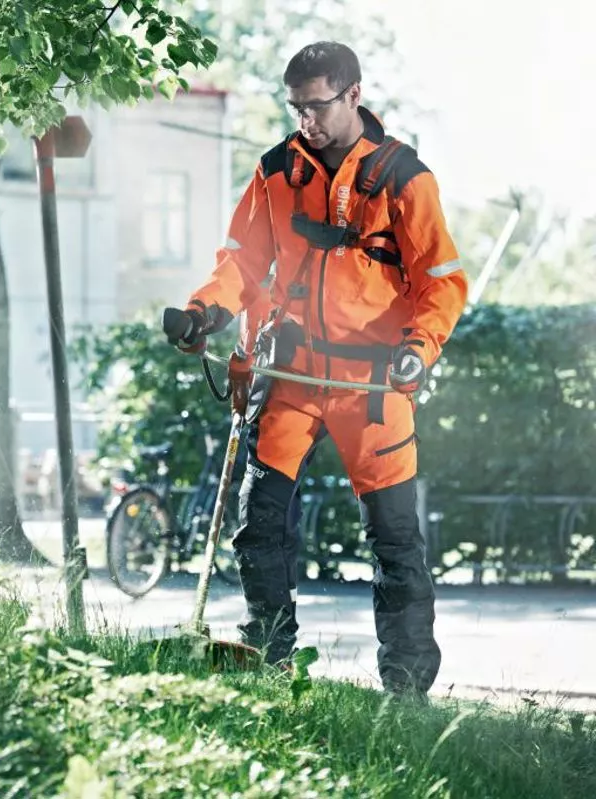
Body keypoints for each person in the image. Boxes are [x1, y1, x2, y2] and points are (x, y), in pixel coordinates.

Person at [166, 41, 467, 698]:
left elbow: (442, 284)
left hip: (373, 387)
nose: (307, 120)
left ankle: (408, 692)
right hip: (295, 380)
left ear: (353, 95)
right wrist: (202, 314)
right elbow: (240, 268)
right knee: (261, 522)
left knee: (395, 541)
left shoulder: (405, 179)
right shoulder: (275, 173)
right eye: (296, 107)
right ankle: (268, 659)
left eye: (319, 106)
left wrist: (419, 347)